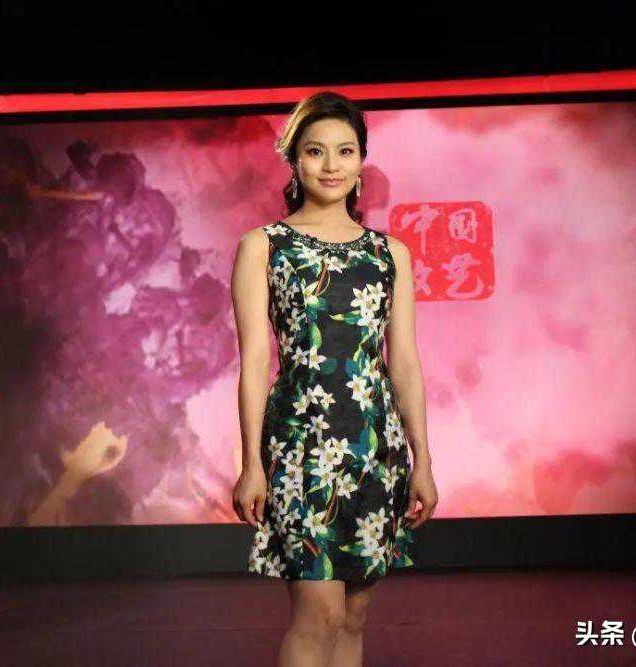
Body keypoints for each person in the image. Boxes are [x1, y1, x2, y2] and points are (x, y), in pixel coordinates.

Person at [231, 90, 438, 666]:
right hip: (301, 446)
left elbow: (404, 362)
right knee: (317, 615)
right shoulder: (264, 247)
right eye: (315, 151)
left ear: (361, 160)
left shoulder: (390, 254)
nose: (331, 166)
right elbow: (254, 362)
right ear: (294, 159)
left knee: (353, 616)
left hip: (376, 447)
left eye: (345, 151)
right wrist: (251, 464)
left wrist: (423, 460)